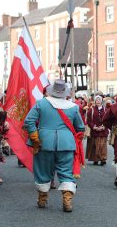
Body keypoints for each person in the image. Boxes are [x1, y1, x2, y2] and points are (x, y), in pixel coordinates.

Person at [24, 80, 85, 212]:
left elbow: (29, 121)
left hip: (44, 142)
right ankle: (67, 201)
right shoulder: (73, 107)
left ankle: (42, 198)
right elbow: (80, 127)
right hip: (66, 143)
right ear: (65, 92)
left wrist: (35, 137)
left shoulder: (41, 103)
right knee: (66, 172)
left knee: (42, 170)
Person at [85, 95, 109, 166]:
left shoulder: (106, 110)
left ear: (102, 101)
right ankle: (95, 159)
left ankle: (102, 159)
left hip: (103, 131)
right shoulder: (91, 110)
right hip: (94, 131)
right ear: (95, 101)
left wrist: (103, 126)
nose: (98, 101)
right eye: (97, 100)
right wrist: (94, 127)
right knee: (94, 145)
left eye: (99, 100)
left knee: (102, 145)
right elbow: (89, 120)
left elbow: (108, 120)